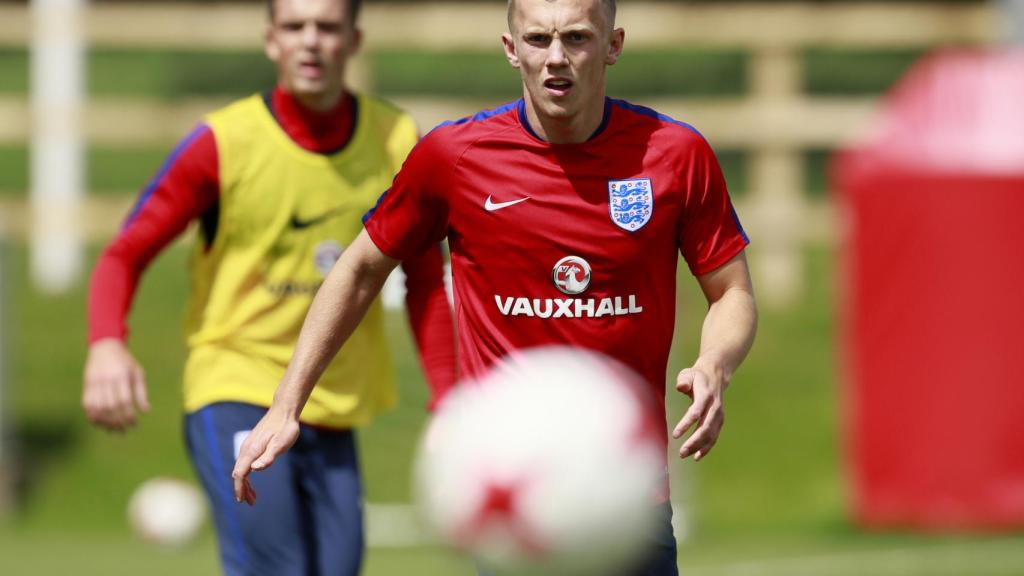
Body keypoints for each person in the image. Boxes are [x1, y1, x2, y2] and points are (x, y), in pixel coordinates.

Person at [233, 0, 757, 573]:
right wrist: (287, 404)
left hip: (622, 486)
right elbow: (359, 269)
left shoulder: (675, 154)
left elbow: (730, 291)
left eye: (578, 38)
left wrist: (715, 365)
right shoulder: (453, 157)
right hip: (511, 490)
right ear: (512, 49)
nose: (556, 57)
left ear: (613, 45)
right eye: (537, 39)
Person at [81, 0, 457, 574]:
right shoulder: (222, 142)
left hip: (330, 402)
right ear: (270, 40)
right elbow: (124, 252)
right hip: (237, 384)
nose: (311, 41)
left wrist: (447, 400)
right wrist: (107, 341)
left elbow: (426, 277)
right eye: (295, 27)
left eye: (327, 27)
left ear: (354, 40)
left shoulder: (396, 138)